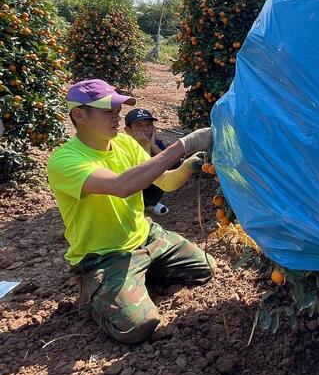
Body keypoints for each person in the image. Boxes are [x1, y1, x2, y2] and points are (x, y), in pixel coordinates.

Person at [47, 79, 216, 344]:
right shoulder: (65, 161)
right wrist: (184, 145)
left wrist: (189, 166)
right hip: (104, 257)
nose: (117, 117)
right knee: (138, 327)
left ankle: (139, 273)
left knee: (206, 268)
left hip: (146, 238)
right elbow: (122, 186)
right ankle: (96, 294)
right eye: (107, 111)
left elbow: (166, 182)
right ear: (79, 115)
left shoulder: (125, 144)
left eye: (117, 110)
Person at [123, 108, 177, 216]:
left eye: (148, 125)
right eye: (139, 125)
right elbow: (142, 177)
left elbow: (174, 167)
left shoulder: (155, 143)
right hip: (130, 194)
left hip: (149, 190)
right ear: (128, 130)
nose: (145, 129)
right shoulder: (123, 148)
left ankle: (150, 203)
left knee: (162, 169)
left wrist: (154, 146)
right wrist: (146, 147)